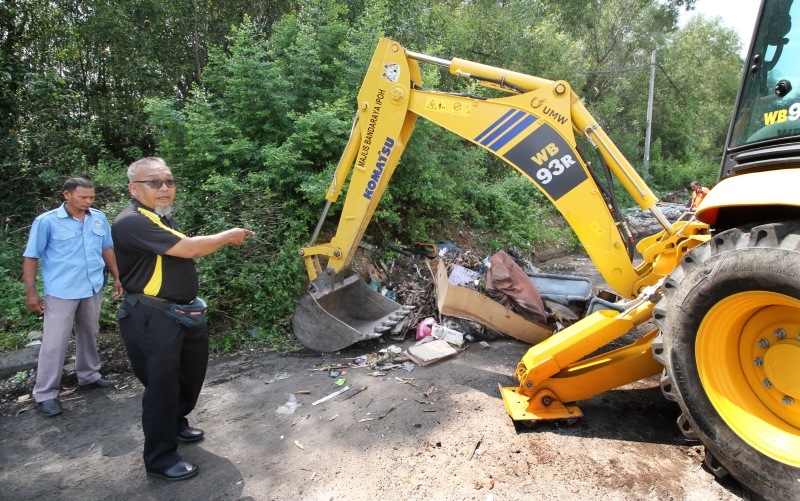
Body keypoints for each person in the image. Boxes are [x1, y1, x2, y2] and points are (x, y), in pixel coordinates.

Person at [112, 157, 254, 481]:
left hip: (182, 313)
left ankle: (176, 423)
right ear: (133, 188)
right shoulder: (131, 221)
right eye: (154, 182)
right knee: (161, 387)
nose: (164, 188)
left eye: (169, 182)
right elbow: (188, 249)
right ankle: (160, 459)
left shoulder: (160, 217)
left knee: (190, 375)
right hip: (152, 316)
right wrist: (228, 235)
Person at [23, 178, 123, 417]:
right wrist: (31, 292)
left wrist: (118, 277)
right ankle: (45, 393)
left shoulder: (98, 217)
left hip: (92, 286)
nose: (88, 201)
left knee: (90, 331)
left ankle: (89, 376)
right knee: (54, 342)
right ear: (66, 195)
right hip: (62, 290)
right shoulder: (47, 222)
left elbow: (106, 248)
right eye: (83, 197)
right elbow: (31, 256)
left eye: (92, 197)